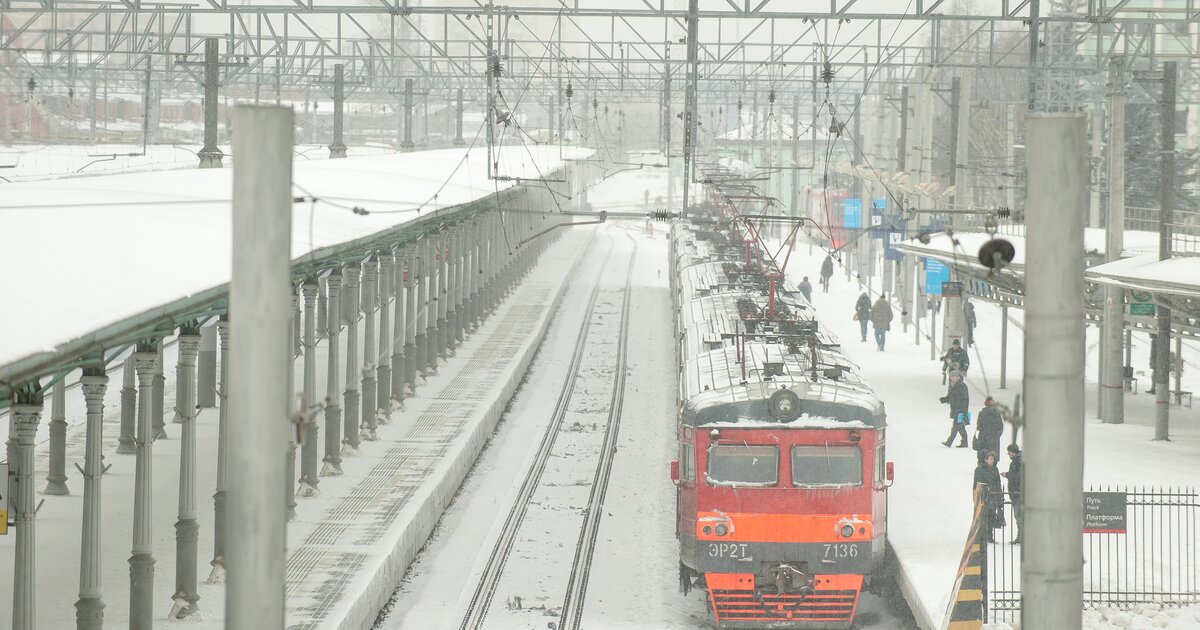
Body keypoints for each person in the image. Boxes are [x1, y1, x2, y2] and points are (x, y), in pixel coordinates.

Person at [973, 450, 1004, 543]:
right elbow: (977, 484)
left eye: (993, 458)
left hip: (993, 496)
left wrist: (1000, 496)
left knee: (991, 517)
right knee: (983, 517)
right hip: (984, 496)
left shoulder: (995, 469)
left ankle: (990, 535)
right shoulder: (979, 469)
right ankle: (981, 536)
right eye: (990, 458)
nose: (992, 460)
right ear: (985, 459)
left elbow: (998, 483)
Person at [940, 371, 970, 448]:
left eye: (953, 376)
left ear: (958, 377)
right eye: (951, 376)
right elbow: (951, 397)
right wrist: (944, 399)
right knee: (960, 427)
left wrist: (963, 410)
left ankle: (949, 442)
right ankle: (964, 442)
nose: (951, 378)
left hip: (959, 410)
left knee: (956, 426)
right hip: (956, 409)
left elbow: (964, 399)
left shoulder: (962, 386)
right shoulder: (954, 386)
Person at [1001, 444, 1024, 544]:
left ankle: (1022, 537)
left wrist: (1007, 475)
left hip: (1018, 493)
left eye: (1009, 452)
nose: (1008, 454)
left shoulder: (1017, 462)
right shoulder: (1019, 460)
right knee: (1019, 517)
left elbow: (1017, 477)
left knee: (1019, 517)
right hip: (1018, 493)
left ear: (1013, 452)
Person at [973, 396, 1004, 461]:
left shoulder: (982, 413)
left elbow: (979, 426)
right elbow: (1001, 426)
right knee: (993, 455)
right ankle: (993, 466)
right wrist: (996, 436)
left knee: (983, 455)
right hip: (994, 439)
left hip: (983, 438)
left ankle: (982, 467)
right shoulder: (997, 413)